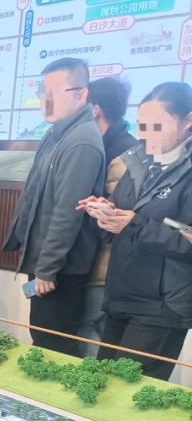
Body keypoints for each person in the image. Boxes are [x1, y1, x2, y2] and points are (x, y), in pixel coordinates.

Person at [79, 82, 192, 381]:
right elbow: (121, 223)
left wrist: (133, 225)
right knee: (101, 386)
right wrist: (105, 214)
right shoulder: (138, 161)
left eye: (157, 125)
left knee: (128, 394)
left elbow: (186, 241)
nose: (146, 134)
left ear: (188, 121)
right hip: (121, 294)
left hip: (162, 306)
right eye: (142, 125)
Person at [1, 57, 105, 356]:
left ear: (81, 94)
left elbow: (67, 214)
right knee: (43, 334)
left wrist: (47, 270)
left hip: (60, 269)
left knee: (54, 343)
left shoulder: (81, 141)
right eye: (42, 92)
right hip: (45, 263)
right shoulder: (56, 132)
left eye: (54, 92)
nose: (45, 100)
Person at [79, 77, 140, 355]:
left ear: (95, 110)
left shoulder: (123, 154)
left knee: (88, 328)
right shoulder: (113, 145)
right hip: (101, 264)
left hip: (104, 265)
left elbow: (118, 220)